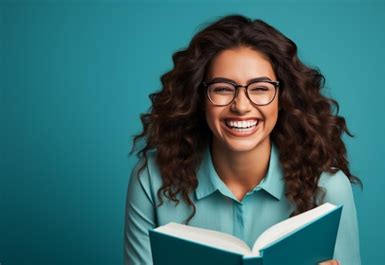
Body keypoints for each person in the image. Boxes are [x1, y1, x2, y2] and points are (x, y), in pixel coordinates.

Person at [124, 14, 362, 265]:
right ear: (200, 98)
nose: (241, 106)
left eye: (260, 88)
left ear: (283, 98)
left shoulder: (328, 188)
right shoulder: (152, 179)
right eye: (223, 88)